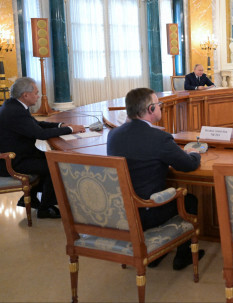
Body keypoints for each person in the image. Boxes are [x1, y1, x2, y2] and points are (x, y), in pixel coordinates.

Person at [107, 88, 204, 270]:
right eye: (159, 105)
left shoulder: (114, 135)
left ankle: (158, 253)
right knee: (188, 200)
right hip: (147, 211)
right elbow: (188, 165)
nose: (161, 107)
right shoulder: (159, 138)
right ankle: (183, 256)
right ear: (151, 109)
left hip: (121, 212)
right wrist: (194, 154)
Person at [0, 77, 85, 219]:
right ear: (25, 95)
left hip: (22, 153)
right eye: (36, 93)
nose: (38, 96)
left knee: (54, 157)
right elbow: (40, 134)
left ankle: (32, 197)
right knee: (55, 165)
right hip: (12, 161)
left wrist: (61, 126)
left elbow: (36, 125)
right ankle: (45, 208)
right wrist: (70, 129)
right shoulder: (15, 111)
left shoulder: (14, 105)